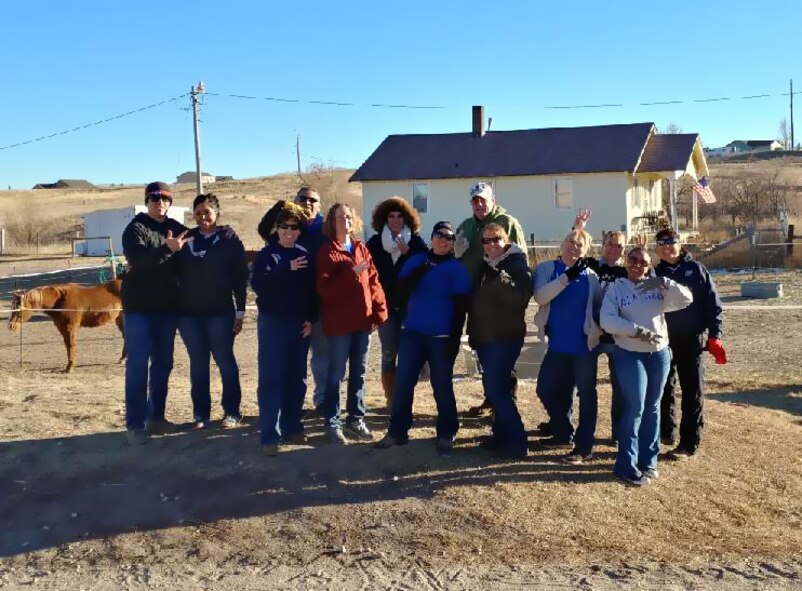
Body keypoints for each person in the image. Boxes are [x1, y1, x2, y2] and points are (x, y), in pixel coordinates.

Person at [375, 221, 472, 453]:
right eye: (439, 235)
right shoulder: (417, 260)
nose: (443, 240)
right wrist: (423, 268)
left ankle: (447, 431)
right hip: (412, 333)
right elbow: (399, 293)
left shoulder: (456, 268)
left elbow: (461, 308)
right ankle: (397, 431)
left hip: (441, 337)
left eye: (448, 238)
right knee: (403, 383)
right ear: (432, 237)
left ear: (452, 244)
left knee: (441, 385)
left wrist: (454, 340)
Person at [600, 247, 693, 485]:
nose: (637, 265)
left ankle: (647, 462)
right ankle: (625, 465)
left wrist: (663, 282)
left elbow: (686, 298)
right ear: (626, 261)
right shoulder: (616, 288)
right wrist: (636, 331)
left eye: (643, 262)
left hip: (659, 354)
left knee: (653, 407)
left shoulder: (657, 288)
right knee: (635, 407)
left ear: (649, 265)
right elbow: (607, 320)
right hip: (630, 354)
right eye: (632, 260)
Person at [121, 181, 191, 445]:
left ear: (170, 202)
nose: (158, 202)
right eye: (153, 198)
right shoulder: (135, 228)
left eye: (164, 198)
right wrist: (167, 249)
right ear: (146, 200)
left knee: (163, 364)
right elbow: (138, 261)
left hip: (167, 309)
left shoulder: (177, 229)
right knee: (137, 366)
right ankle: (135, 424)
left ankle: (156, 418)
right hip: (139, 309)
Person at [175, 193, 248, 430]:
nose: (203, 217)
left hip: (220, 312)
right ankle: (201, 414)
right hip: (189, 315)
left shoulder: (228, 239)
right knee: (198, 364)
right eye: (198, 213)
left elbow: (240, 277)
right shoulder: (186, 239)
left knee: (225, 360)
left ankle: (232, 412)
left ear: (216, 212)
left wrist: (240, 311)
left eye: (207, 212)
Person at [454, 181, 528, 416]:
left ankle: (506, 402)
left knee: (503, 355)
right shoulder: (466, 226)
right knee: (482, 348)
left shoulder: (507, 223)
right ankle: (491, 397)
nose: (479, 204)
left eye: (483, 200)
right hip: (474, 295)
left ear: (492, 200)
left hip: (501, 297)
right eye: (475, 200)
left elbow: (520, 259)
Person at [316, 203, 388, 444]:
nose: (344, 220)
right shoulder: (327, 252)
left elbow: (374, 282)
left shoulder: (361, 248)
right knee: (336, 374)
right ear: (331, 222)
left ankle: (355, 418)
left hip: (363, 322)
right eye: (339, 217)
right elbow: (324, 290)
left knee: (359, 373)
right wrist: (350, 274)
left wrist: (379, 313)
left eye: (348, 216)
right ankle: (332, 422)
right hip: (339, 325)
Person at [654, 228, 725, 460]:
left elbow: (714, 306)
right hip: (662, 339)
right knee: (663, 387)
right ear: (657, 248)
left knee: (692, 390)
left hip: (691, 339)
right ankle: (666, 432)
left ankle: (688, 443)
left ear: (680, 243)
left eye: (671, 242)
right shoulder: (654, 274)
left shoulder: (696, 270)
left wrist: (715, 334)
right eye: (662, 243)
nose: (667, 247)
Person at [251, 202, 316, 455]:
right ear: (276, 229)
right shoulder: (267, 255)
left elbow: (311, 291)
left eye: (293, 227)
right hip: (273, 324)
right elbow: (260, 287)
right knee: (271, 379)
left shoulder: (304, 253)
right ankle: (269, 435)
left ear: (299, 231)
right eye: (284, 227)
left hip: (299, 325)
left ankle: (293, 427)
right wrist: (284, 269)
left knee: (297, 379)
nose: (289, 231)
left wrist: (311, 318)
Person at [533, 229, 602, 464]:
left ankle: (584, 447)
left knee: (587, 397)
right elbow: (541, 297)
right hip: (557, 347)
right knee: (545, 389)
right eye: (570, 242)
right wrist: (566, 277)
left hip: (584, 349)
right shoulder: (546, 269)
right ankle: (563, 432)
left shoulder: (591, 276)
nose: (574, 247)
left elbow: (598, 308)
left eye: (580, 245)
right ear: (562, 244)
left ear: (586, 250)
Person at [258, 187, 329, 413]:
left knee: (320, 357)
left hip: (316, 303)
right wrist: (281, 205)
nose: (307, 203)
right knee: (285, 363)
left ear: (319, 205)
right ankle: (284, 411)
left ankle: (322, 401)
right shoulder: (288, 228)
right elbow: (263, 229)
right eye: (302, 199)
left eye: (313, 200)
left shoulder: (324, 231)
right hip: (282, 309)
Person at [467, 223, 533, 459]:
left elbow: (519, 299)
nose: (491, 245)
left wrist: (499, 277)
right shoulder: (484, 265)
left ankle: (517, 441)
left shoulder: (517, 264)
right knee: (495, 387)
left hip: (505, 337)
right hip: (485, 338)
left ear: (506, 240)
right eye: (486, 241)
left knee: (497, 388)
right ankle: (501, 435)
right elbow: (474, 302)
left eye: (495, 239)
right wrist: (473, 334)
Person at [365, 196, 428, 406]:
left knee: (409, 354)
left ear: (407, 218)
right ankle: (391, 397)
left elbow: (427, 272)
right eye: (391, 216)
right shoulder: (374, 244)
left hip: (411, 308)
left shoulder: (416, 243)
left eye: (399, 216)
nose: (395, 220)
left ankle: (404, 396)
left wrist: (408, 255)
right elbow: (366, 277)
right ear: (384, 219)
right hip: (385, 309)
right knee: (389, 352)